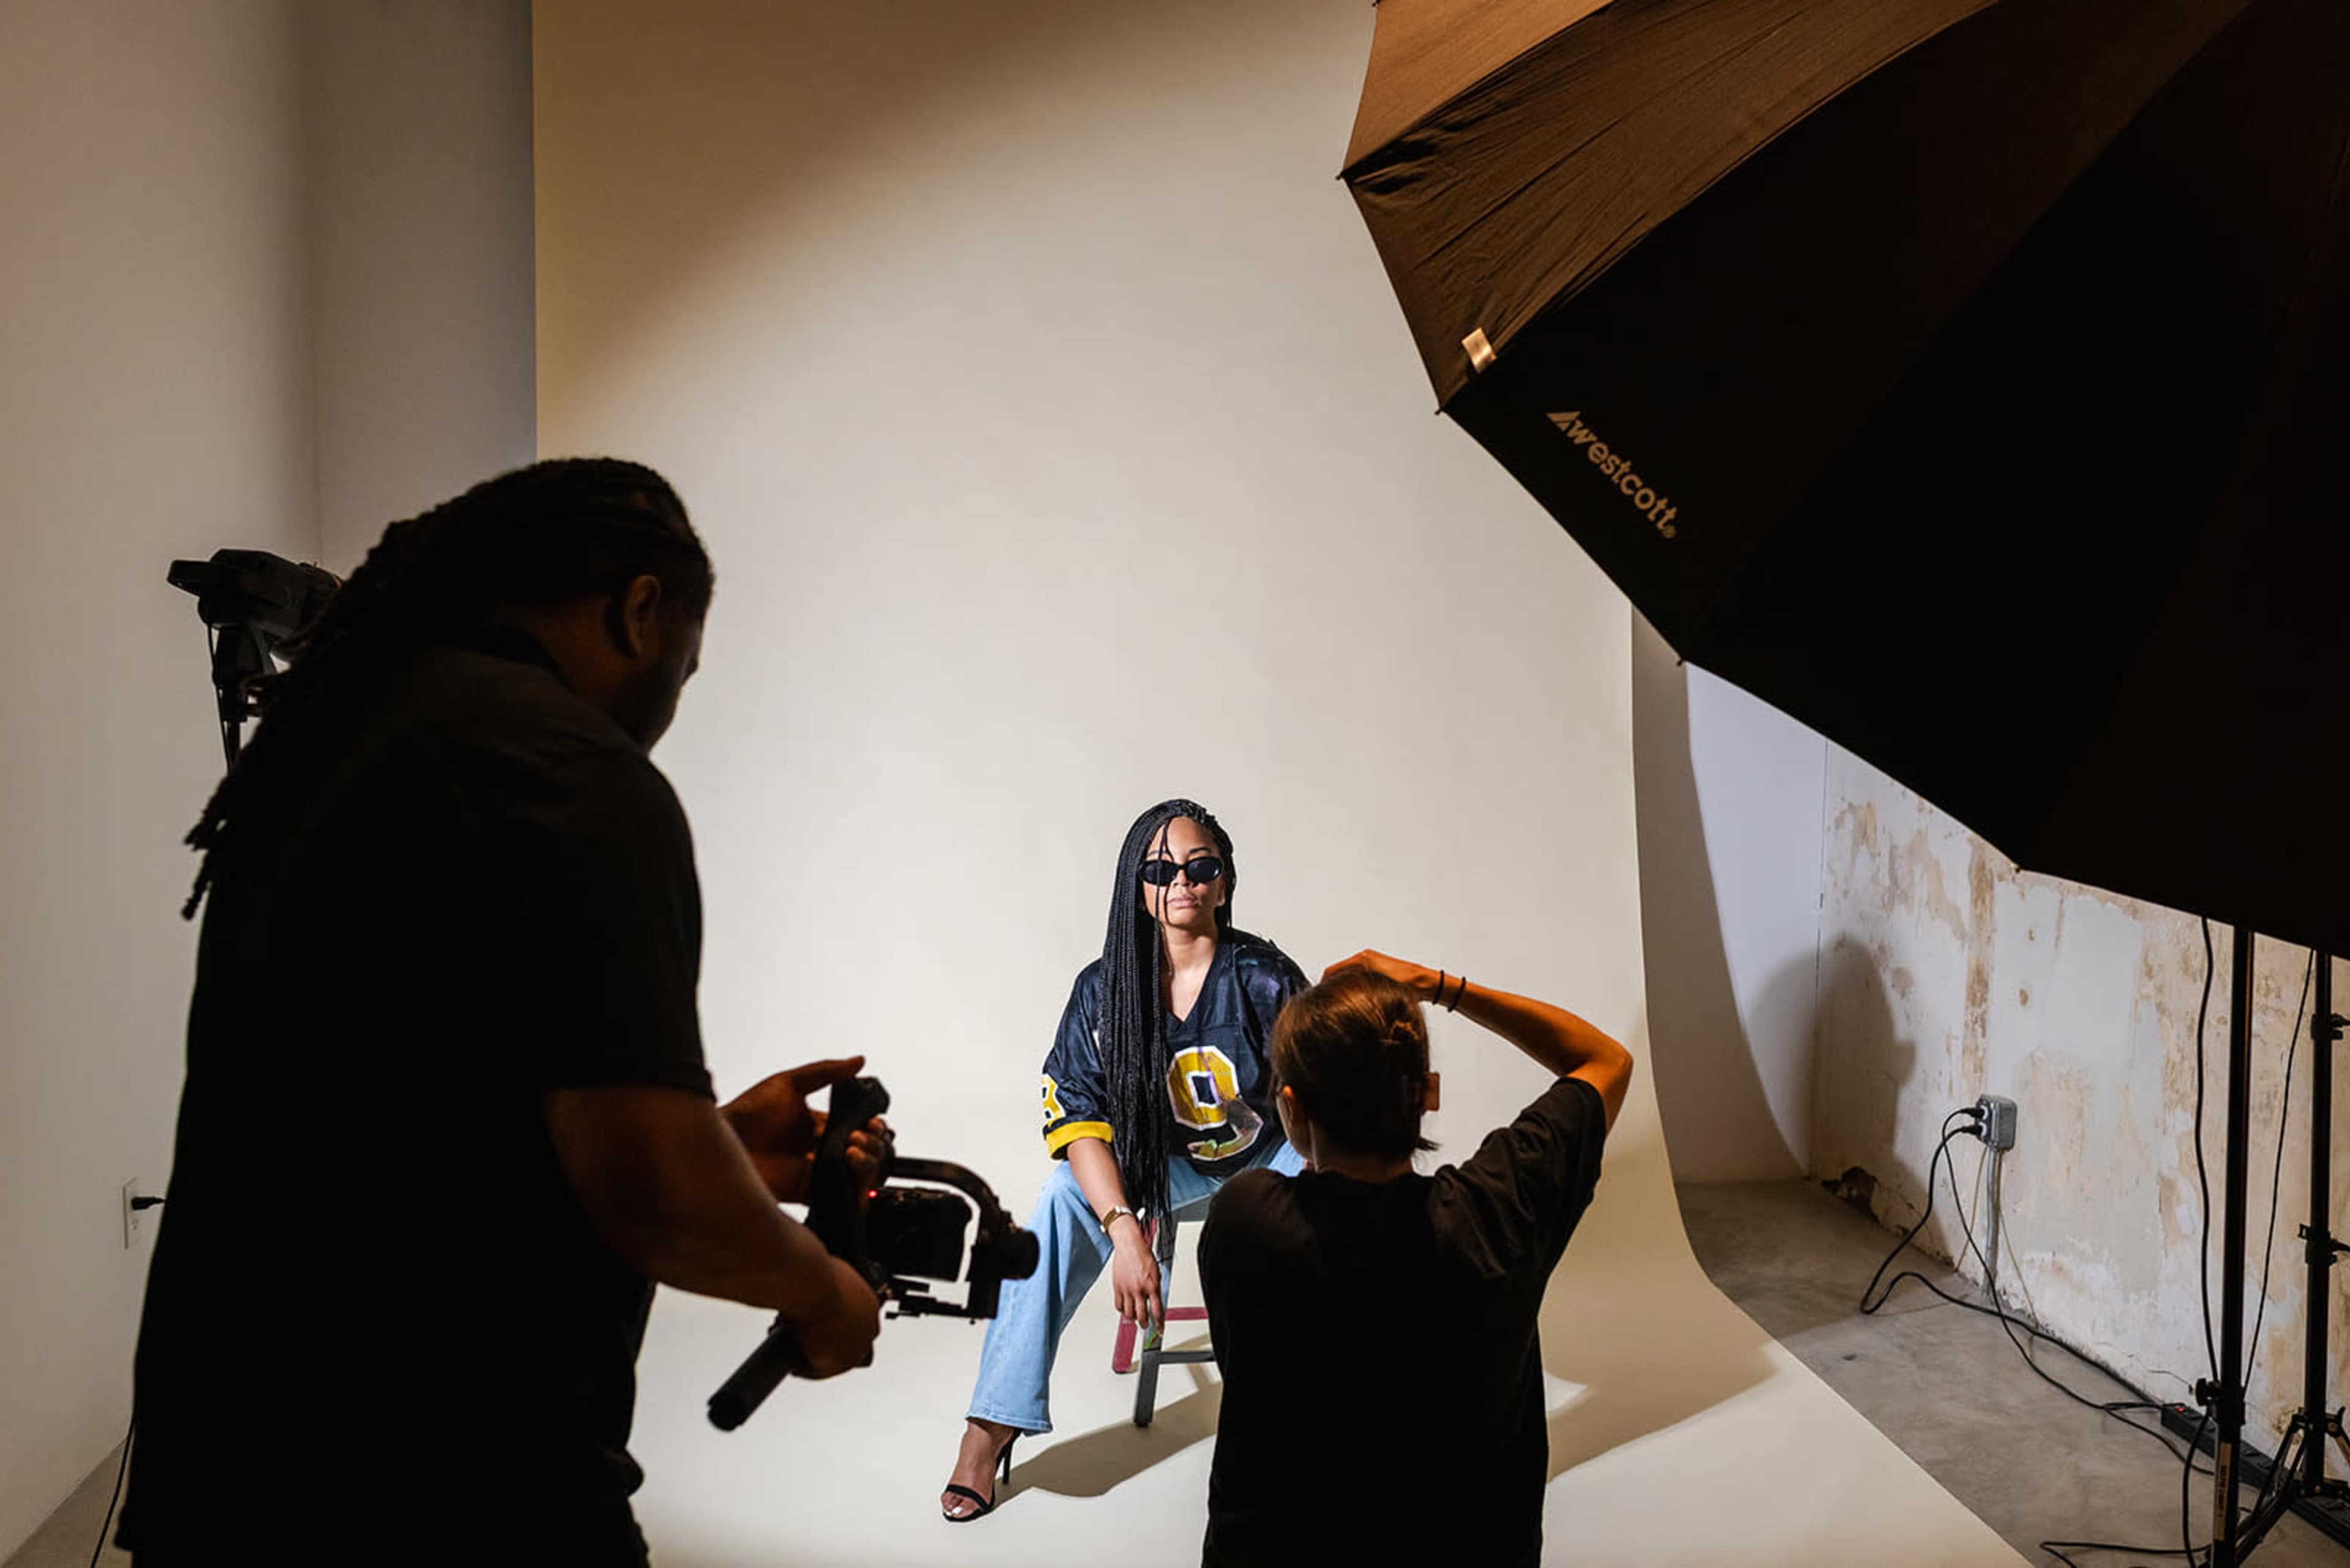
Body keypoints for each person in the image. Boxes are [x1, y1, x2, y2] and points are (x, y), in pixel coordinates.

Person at [120, 459, 883, 1567]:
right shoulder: (573, 771)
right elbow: (655, 1201)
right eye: (688, 665)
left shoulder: (333, 748)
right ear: (640, 610)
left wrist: (717, 1142)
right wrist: (821, 1291)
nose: (672, 708)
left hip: (227, 1480)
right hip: (464, 1497)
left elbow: (410, 1125)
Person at [1195, 950, 1634, 1568]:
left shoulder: (1246, 1218)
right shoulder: (1500, 1207)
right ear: (1425, 1092)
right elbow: (1605, 1059)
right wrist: (1441, 988)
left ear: (1292, 1106)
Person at [939, 799, 1309, 1521]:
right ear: (1136, 885)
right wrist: (1123, 1229)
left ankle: (1344, 1410)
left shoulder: (1263, 976)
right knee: (1056, 1196)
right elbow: (1079, 1115)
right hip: (1157, 1165)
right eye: (1161, 868)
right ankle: (990, 1426)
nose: (1183, 881)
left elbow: (1319, 1087)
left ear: (1225, 881)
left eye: (1201, 866)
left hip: (1267, 1156)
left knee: (1341, 1197)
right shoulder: (1103, 989)